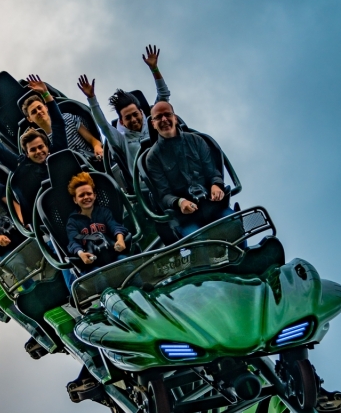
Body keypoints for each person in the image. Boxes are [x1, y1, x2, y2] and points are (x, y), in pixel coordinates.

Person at [77, 44, 171, 178]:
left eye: (135, 114)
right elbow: (104, 126)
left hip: (172, 173)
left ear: (141, 112)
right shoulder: (121, 139)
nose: (133, 120)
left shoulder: (155, 122)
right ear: (121, 121)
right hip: (146, 185)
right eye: (128, 117)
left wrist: (154, 69)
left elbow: (164, 95)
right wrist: (92, 99)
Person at [144, 101, 229, 236]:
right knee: (200, 243)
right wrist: (179, 202)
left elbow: (212, 172)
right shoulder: (152, 158)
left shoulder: (197, 140)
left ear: (175, 118)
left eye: (167, 115)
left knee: (233, 226)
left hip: (213, 206)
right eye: (159, 117)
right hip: (187, 219)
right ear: (153, 124)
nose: (164, 119)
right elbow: (163, 194)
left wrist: (216, 185)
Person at [21, 75, 101, 160]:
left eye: (39, 108)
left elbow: (93, 140)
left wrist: (97, 147)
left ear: (46, 107)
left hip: (93, 159)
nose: (38, 112)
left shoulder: (67, 118)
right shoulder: (40, 142)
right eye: (34, 112)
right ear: (29, 119)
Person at [65, 172, 127, 271]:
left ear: (94, 195)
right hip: (92, 264)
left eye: (89, 194)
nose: (86, 197)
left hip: (112, 255)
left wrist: (120, 239)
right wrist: (81, 254)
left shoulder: (104, 212)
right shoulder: (73, 221)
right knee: (98, 279)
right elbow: (73, 242)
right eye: (81, 195)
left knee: (126, 264)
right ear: (75, 200)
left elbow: (115, 226)